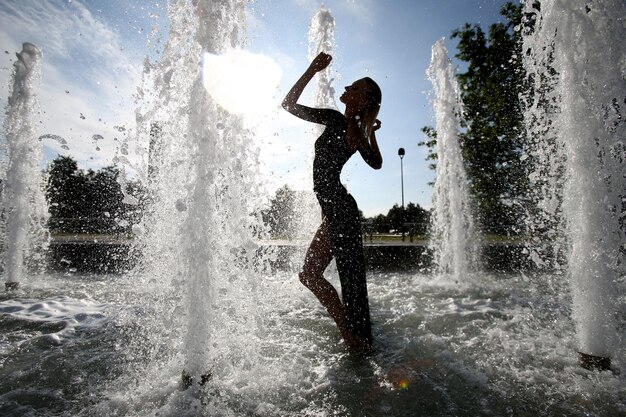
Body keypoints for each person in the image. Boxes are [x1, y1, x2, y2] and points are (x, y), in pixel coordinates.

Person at [282, 52, 383, 351]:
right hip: (336, 209)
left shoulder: (342, 123)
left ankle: (352, 336)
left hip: (340, 209)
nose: (347, 88)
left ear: (362, 100)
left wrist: (368, 131)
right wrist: (311, 69)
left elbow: (376, 163)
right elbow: (289, 105)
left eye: (354, 88)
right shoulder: (337, 120)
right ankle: (354, 336)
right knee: (317, 275)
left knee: (310, 274)